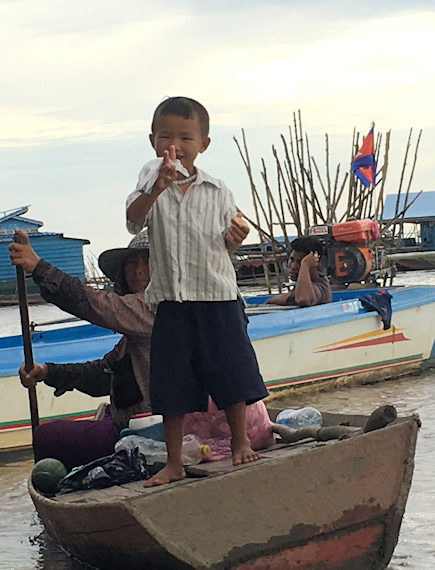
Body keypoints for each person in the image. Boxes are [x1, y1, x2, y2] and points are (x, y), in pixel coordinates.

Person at [126, 96, 268, 486]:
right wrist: (157, 188)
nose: (177, 144)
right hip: (172, 300)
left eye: (186, 137)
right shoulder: (148, 180)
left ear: (203, 144)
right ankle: (173, 462)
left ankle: (240, 442)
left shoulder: (218, 190)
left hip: (218, 297)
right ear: (153, 141)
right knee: (172, 382)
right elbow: (133, 220)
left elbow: (229, 237)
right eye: (166, 136)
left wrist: (237, 237)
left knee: (230, 372)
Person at [9, 228, 153, 471]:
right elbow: (104, 373)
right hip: (126, 423)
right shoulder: (133, 329)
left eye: (148, 262)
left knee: (47, 436)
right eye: (132, 262)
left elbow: (93, 304)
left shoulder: (161, 308)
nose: (138, 270)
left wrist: (38, 267)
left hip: (151, 431)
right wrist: (47, 372)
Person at [265, 236, 332, 307]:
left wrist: (305, 264)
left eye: (300, 262)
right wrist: (272, 300)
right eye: (292, 259)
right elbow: (292, 296)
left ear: (315, 263)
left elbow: (303, 299)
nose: (293, 267)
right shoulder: (302, 285)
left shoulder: (320, 286)